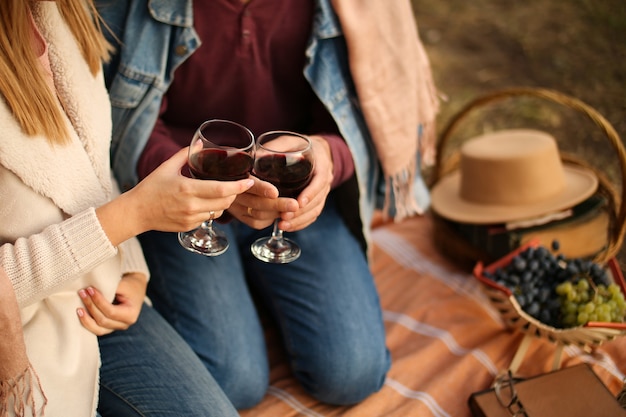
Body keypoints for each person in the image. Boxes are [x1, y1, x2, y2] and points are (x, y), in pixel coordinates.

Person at [97, 0, 439, 409]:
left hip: (291, 200)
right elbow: (116, 124)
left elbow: (368, 120)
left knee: (353, 374)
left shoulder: (356, 8)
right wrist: (201, 190)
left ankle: (254, 283)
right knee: (234, 381)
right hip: (184, 196)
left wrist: (329, 157)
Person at [0, 1, 249, 416]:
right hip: (22, 338)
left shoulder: (60, 12)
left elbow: (90, 167)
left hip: (97, 296)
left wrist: (131, 267)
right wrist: (132, 215)